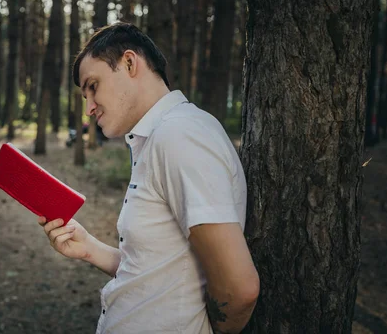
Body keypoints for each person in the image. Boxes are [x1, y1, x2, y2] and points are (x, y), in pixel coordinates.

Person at [38, 22, 259, 333]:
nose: (88, 107)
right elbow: (156, 272)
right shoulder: (160, 137)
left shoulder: (180, 135)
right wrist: (88, 247)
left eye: (93, 86)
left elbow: (240, 289)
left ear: (130, 63)